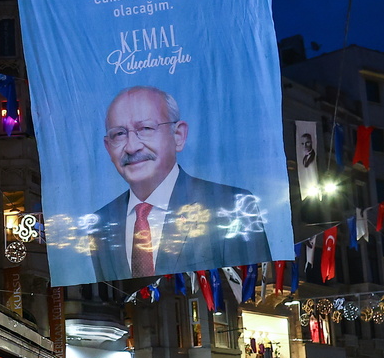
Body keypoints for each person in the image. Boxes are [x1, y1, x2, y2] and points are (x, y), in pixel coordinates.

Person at [87, 86, 272, 281]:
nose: (132, 147)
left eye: (145, 129)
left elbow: (255, 288)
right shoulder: (99, 224)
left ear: (178, 135)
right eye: (119, 134)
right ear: (108, 148)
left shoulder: (232, 205)